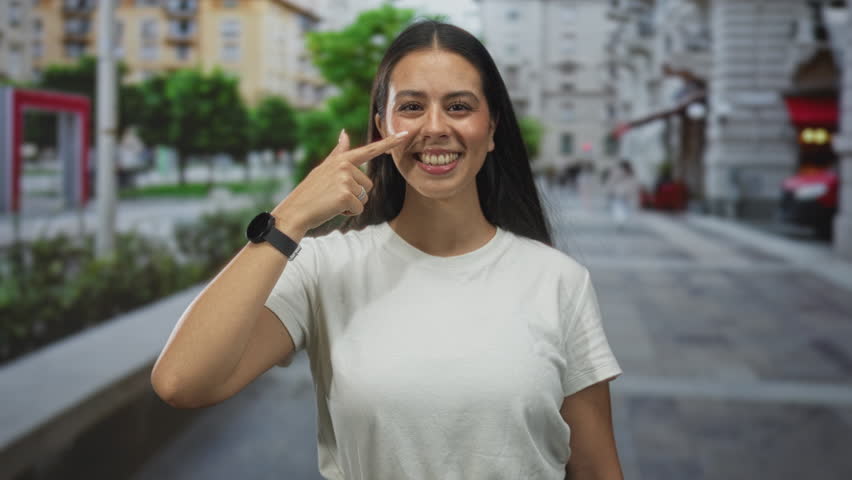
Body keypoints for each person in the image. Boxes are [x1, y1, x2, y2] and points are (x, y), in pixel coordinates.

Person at [151, 21, 623, 480]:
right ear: (381, 127)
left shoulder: (559, 280)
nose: (435, 128)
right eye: (412, 107)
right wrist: (288, 218)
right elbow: (181, 382)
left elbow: (597, 469)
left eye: (459, 106)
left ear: (492, 126)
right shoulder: (324, 268)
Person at [606, 160, 641, 230]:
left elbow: (611, 182)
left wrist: (609, 191)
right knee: (623, 208)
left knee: (618, 208)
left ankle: (620, 221)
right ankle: (621, 220)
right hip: (626, 193)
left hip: (619, 193)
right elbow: (635, 185)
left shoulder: (617, 172)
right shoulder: (631, 173)